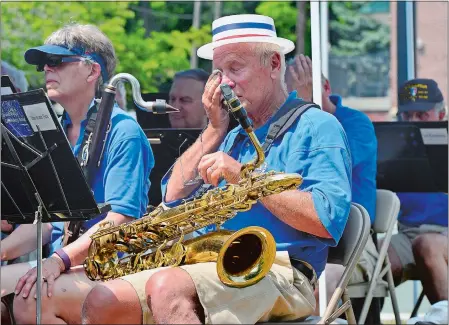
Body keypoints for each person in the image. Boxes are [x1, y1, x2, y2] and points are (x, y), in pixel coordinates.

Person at [80, 14, 352, 325]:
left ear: (275, 64)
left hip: (283, 273)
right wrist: (213, 129)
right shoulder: (232, 134)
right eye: (219, 72)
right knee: (102, 300)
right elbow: (172, 194)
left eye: (236, 68)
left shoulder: (318, 127)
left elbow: (326, 220)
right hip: (209, 267)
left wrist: (243, 177)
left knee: (167, 287)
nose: (225, 82)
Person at [7, 23, 154, 325]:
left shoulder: (124, 132)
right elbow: (48, 223)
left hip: (113, 269)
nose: (47, 68)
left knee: (29, 301)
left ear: (92, 71)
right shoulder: (55, 131)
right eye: (44, 64)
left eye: (57, 61)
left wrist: (56, 260)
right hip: (66, 265)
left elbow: (120, 220)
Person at [285, 54, 378, 310]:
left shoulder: (356, 122)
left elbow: (329, 169)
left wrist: (306, 106)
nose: (293, 104)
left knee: (320, 285)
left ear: (325, 88)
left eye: (300, 94)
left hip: (351, 243)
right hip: (301, 238)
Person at [388, 78, 447, 324]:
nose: (413, 122)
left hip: (443, 235)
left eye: (421, 115)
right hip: (407, 236)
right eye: (407, 116)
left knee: (427, 245)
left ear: (441, 114)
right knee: (371, 258)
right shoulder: (393, 150)